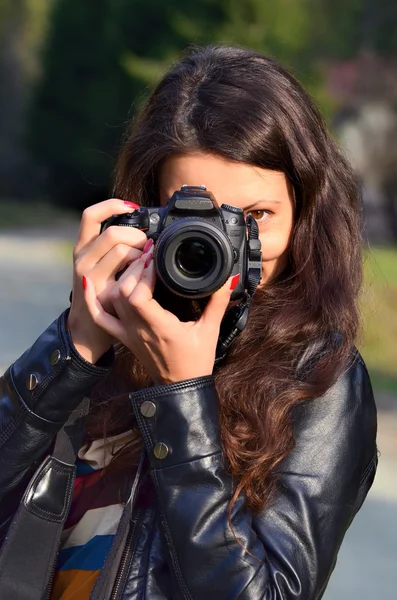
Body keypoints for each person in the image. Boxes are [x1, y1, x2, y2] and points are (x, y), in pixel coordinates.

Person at [0, 45, 377, 600]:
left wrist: (182, 398)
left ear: (305, 212)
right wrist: (74, 345)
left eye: (254, 218)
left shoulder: (319, 377)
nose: (223, 244)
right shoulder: (106, 337)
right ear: (146, 211)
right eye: (193, 215)